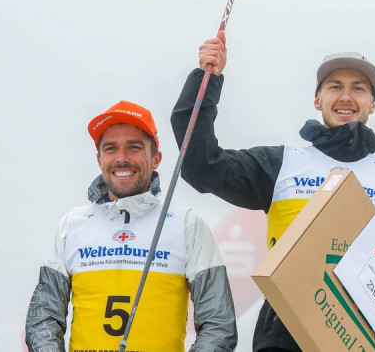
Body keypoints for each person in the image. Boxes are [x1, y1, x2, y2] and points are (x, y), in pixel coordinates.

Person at [171, 31, 375, 352]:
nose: (346, 96)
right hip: (283, 333)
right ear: (317, 100)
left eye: (358, 89)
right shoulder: (281, 164)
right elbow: (200, 166)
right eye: (335, 86)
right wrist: (206, 80)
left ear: (372, 104)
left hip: (357, 335)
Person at [25, 101, 237, 352]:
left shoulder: (186, 224)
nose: (122, 158)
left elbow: (218, 324)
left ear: (156, 158)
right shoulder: (71, 226)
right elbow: (43, 318)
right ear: (99, 159)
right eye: (111, 149)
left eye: (134, 148)